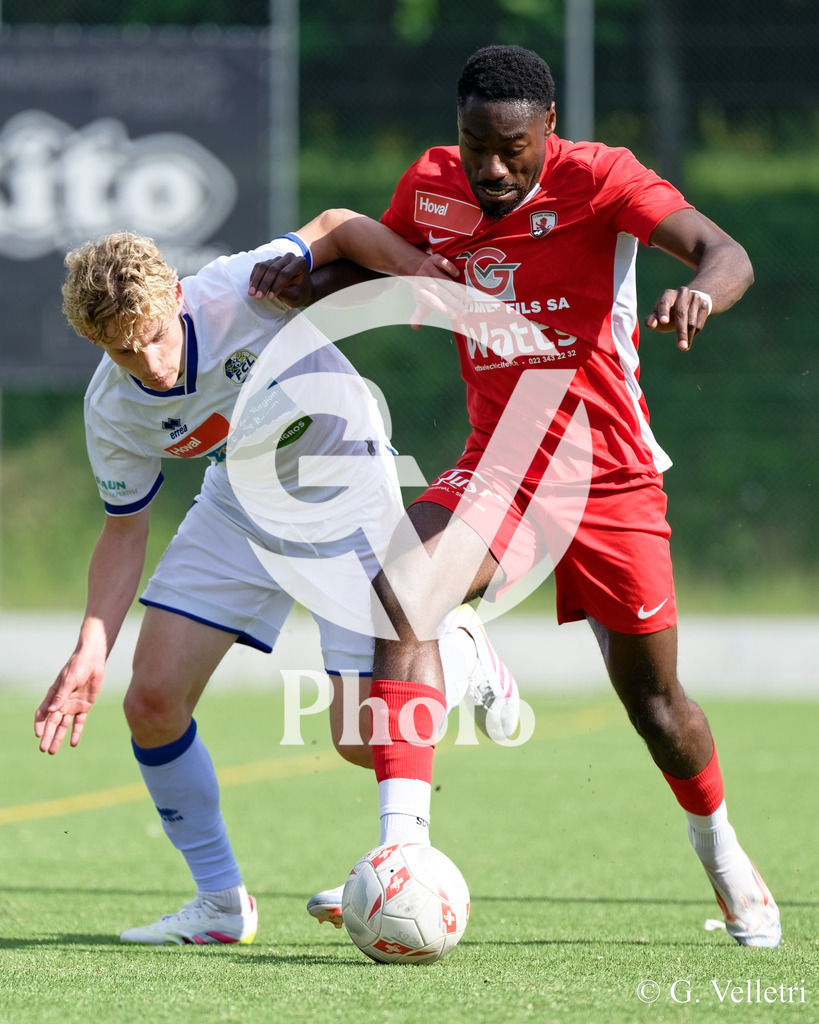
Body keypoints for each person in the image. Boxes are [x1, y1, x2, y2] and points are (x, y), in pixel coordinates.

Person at [271, 44, 779, 947]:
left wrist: (700, 293)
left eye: (511, 149)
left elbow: (722, 250)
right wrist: (300, 282)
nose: (492, 169)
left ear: (549, 128)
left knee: (656, 707)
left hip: (608, 473)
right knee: (404, 592)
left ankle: (723, 853)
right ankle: (402, 856)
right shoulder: (432, 185)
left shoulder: (602, 180)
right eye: (475, 147)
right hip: (500, 463)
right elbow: (389, 268)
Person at [33, 223, 519, 945]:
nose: (150, 362)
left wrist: (425, 274)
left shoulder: (235, 288)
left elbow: (337, 229)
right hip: (237, 506)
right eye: (121, 348)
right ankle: (220, 903)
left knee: (362, 739)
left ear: (176, 294)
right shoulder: (113, 407)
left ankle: (455, 652)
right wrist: (90, 648)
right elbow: (123, 531)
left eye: (155, 335)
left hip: (344, 485)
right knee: (152, 702)